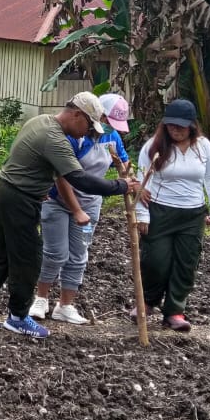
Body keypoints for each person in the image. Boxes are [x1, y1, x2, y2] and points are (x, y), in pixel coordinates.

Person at [0, 92, 138, 338]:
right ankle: (18, 317)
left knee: (3, 256)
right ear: (76, 115)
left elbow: (26, 160)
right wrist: (122, 186)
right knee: (29, 259)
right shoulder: (56, 139)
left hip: (3, 189)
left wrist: (38, 184)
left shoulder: (40, 121)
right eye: (88, 124)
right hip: (18, 199)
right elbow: (80, 180)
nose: (87, 132)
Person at [30, 93, 132, 324]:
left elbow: (124, 164)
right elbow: (64, 177)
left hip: (91, 204)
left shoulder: (112, 137)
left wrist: (129, 179)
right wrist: (76, 209)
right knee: (55, 253)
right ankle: (40, 298)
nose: (107, 127)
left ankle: (65, 305)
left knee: (78, 256)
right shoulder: (74, 137)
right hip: (58, 202)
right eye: (105, 121)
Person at [134, 98, 210, 332]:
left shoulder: (203, 147)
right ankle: (148, 301)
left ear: (192, 125)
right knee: (155, 261)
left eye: (181, 126)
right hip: (160, 211)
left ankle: (174, 310)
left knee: (186, 264)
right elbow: (142, 182)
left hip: (192, 214)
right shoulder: (153, 147)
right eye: (171, 125)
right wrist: (142, 214)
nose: (175, 130)